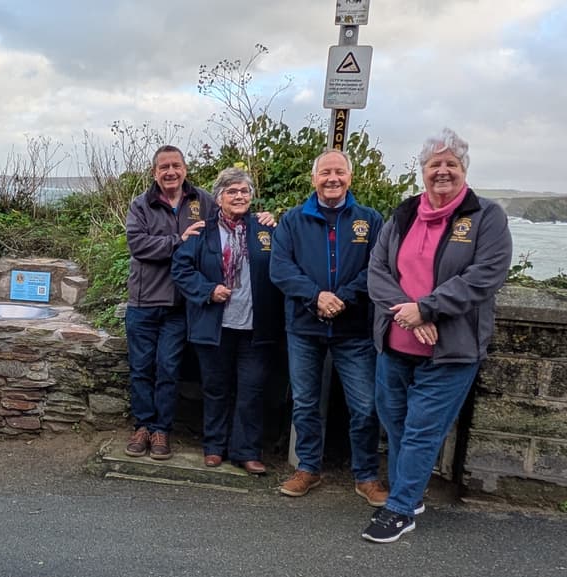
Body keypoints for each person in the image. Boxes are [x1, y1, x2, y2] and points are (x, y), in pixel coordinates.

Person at [362, 129, 512, 543]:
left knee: (422, 431)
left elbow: (485, 277)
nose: (442, 171)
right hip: (395, 343)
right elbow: (378, 272)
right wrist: (408, 313)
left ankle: (398, 509)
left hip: (450, 351)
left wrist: (427, 308)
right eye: (435, 164)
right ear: (423, 171)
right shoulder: (404, 213)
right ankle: (409, 494)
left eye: (451, 164)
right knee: (395, 425)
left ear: (464, 169)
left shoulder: (487, 217)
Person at [270, 150, 386, 506]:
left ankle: (366, 476)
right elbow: (281, 268)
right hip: (305, 327)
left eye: (339, 172)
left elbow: (378, 268)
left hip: (353, 329)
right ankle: (308, 468)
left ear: (350, 178)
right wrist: (316, 296)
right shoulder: (291, 221)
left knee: (365, 405)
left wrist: (343, 298)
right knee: (305, 402)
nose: (332, 178)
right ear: (314, 179)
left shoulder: (371, 219)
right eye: (325, 173)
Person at [172, 168, 284, 474]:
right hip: (215, 325)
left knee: (251, 389)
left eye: (244, 191)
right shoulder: (202, 230)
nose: (239, 196)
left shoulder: (265, 230)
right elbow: (181, 269)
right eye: (232, 191)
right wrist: (208, 290)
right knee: (216, 388)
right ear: (219, 196)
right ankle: (214, 447)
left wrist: (274, 222)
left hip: (255, 327)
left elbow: (283, 265)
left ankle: (246, 452)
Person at [123, 145, 217, 461]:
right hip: (143, 301)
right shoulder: (141, 205)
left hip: (180, 304)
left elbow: (230, 224)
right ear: (154, 173)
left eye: (176, 165)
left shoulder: (203, 201)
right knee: (140, 369)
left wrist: (265, 220)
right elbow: (139, 245)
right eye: (164, 167)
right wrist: (179, 241)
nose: (170, 172)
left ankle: (161, 429)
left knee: (168, 367)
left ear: (185, 169)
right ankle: (143, 426)